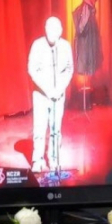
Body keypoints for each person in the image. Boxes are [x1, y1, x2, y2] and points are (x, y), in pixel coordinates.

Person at [27, 16, 74, 174]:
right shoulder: (37, 45)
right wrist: (47, 90)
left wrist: (60, 88)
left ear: (60, 31)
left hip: (58, 96)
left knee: (56, 129)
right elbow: (32, 69)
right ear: (45, 29)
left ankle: (54, 159)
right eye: (48, 28)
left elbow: (69, 69)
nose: (51, 32)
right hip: (41, 95)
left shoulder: (66, 46)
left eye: (55, 29)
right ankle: (37, 159)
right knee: (39, 128)